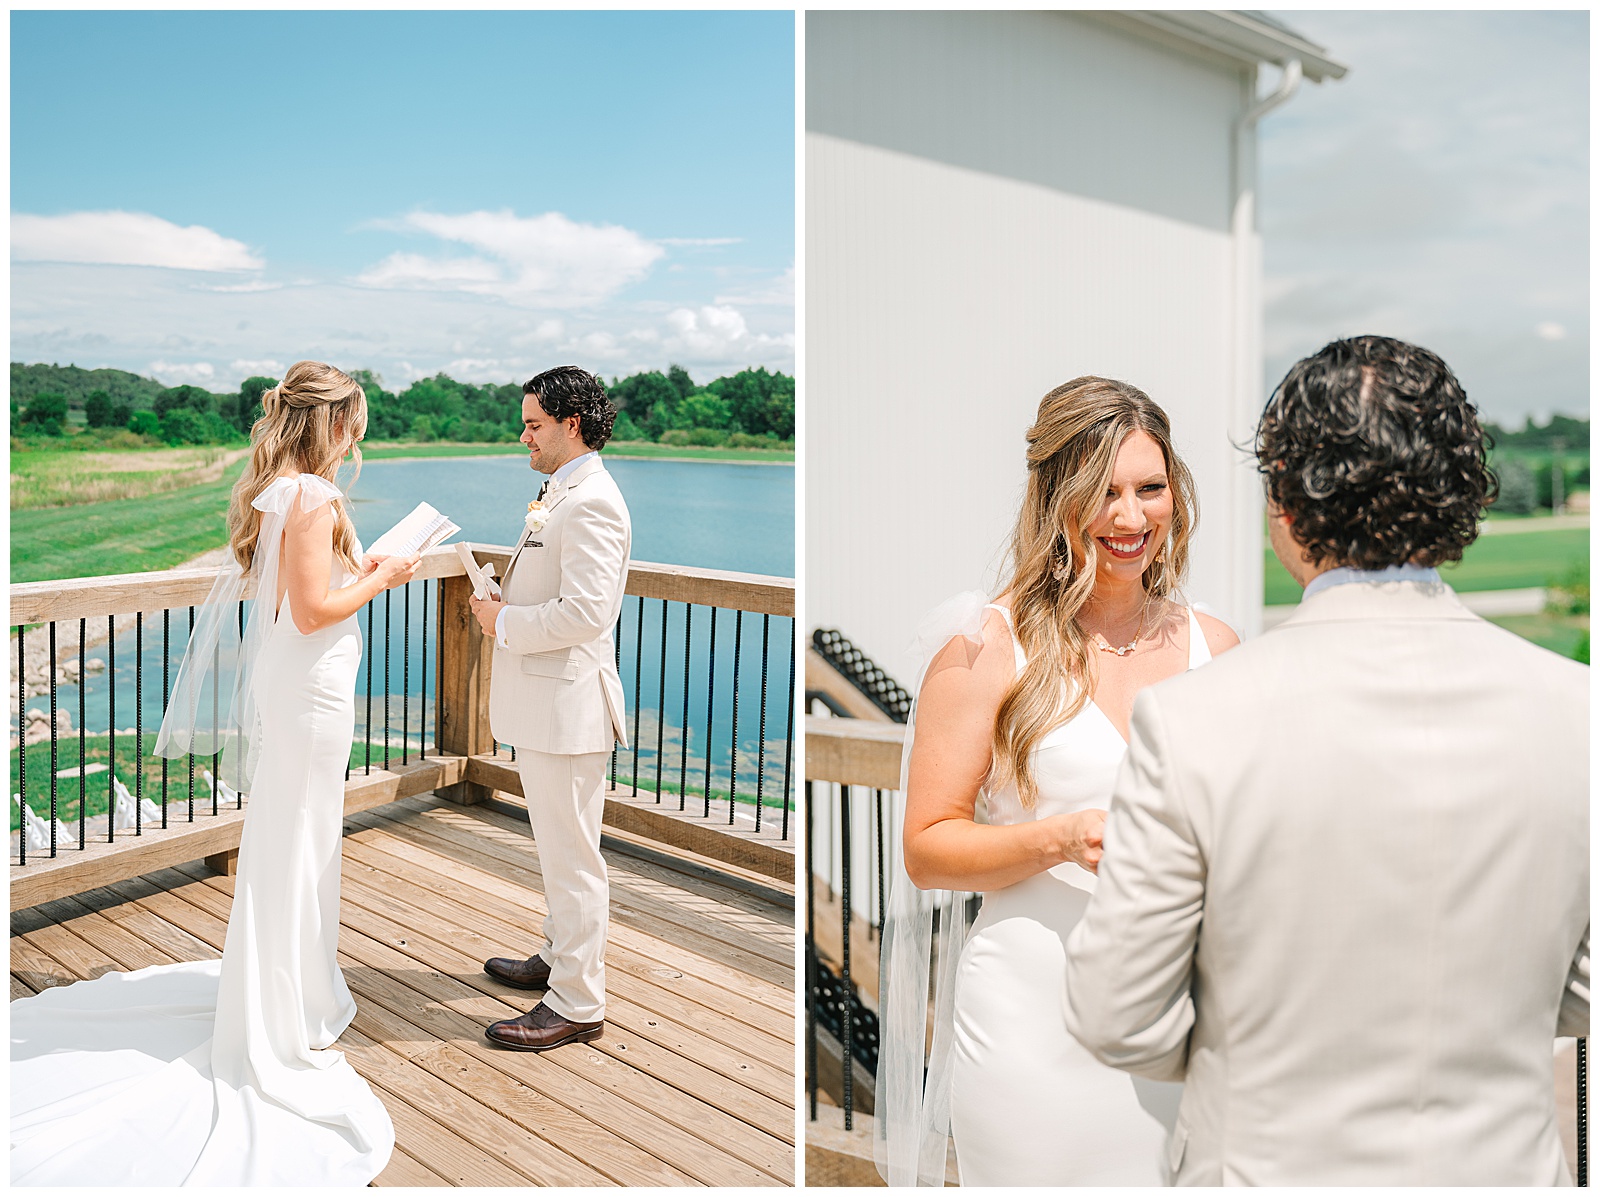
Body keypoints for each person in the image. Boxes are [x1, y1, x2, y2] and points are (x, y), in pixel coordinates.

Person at [1063, 336, 1590, 1185]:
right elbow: (1586, 991)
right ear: (1459, 491)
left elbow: (1118, 1013)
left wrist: (1257, 1044)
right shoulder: (1580, 710)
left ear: (1285, 501)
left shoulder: (1195, 718)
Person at [10, 360, 420, 1185]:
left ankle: (292, 988)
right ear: (336, 424)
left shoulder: (285, 493)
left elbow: (293, 599)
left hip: (300, 685)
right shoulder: (312, 496)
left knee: (296, 839)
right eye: (358, 421)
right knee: (298, 841)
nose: (360, 436)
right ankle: (279, 1009)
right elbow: (310, 611)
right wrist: (383, 574)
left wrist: (356, 571)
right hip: (309, 692)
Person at [874, 377, 1239, 1185]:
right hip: (1034, 1026)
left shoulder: (1217, 644)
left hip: (1188, 1026)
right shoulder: (985, 648)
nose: (1131, 518)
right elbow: (927, 848)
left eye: (1150, 488)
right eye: (1103, 492)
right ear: (1056, 497)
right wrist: (1060, 838)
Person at [470, 365, 632, 1051]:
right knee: (559, 851)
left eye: (533, 424)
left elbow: (588, 613)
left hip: (570, 711)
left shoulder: (594, 500)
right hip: (548, 706)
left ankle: (576, 1001)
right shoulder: (559, 491)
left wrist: (501, 621)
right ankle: (558, 957)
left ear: (572, 424)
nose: (523, 435)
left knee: (574, 860)